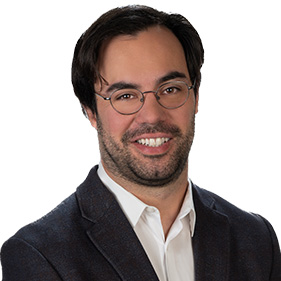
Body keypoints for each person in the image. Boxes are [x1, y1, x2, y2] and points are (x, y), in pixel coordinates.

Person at [1, 5, 280, 281]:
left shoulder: (256, 240)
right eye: (125, 95)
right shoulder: (40, 255)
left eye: (170, 89)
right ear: (90, 112)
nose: (152, 115)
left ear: (196, 96)